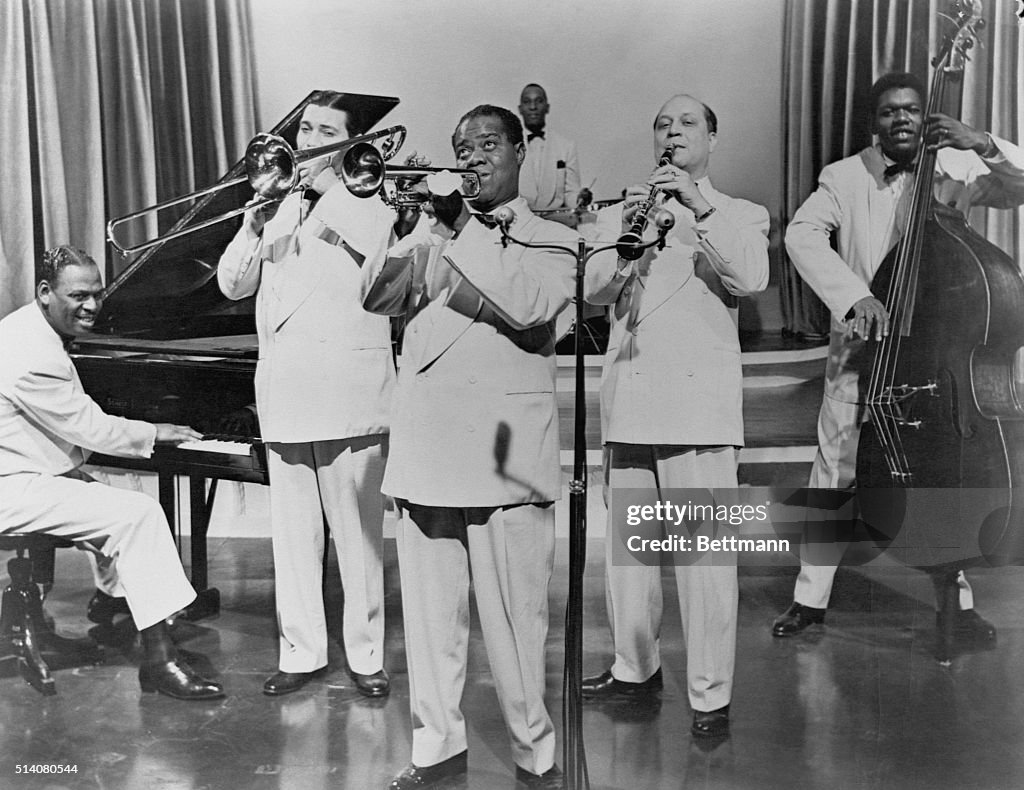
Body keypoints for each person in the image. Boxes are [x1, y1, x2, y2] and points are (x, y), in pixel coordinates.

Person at [362, 104, 576, 790]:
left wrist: (458, 228)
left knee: (516, 628)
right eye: (463, 147)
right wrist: (410, 227)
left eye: (489, 144)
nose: (474, 157)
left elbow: (531, 307)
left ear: (520, 153)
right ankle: (437, 747)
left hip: (502, 454)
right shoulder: (433, 229)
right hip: (428, 446)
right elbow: (377, 297)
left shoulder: (555, 237)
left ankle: (534, 755)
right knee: (429, 621)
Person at [772, 72, 1024, 640]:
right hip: (865, 351)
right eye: (888, 112)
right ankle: (809, 601)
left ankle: (954, 603)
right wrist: (854, 294)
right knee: (833, 473)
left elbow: (1022, 184)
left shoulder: (957, 168)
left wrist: (981, 142)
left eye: (910, 109)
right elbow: (802, 235)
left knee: (942, 476)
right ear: (874, 122)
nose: (901, 119)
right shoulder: (842, 176)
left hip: (938, 358)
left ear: (924, 115)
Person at [580, 94, 770, 739]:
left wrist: (697, 205)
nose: (672, 132)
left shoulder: (739, 213)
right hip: (630, 399)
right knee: (630, 558)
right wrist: (629, 234)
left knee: (704, 564)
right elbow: (592, 291)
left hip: (698, 410)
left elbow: (751, 278)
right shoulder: (624, 213)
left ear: (713, 139)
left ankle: (710, 695)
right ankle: (635, 669)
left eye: (687, 123)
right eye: (662, 123)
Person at [217, 90, 395, 698]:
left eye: (325, 131)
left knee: (358, 536)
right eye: (306, 129)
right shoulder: (278, 203)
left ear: (349, 142)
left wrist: (327, 196)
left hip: (348, 393)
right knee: (293, 536)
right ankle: (301, 652)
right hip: (288, 393)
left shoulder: (370, 199)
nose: (309, 140)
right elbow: (233, 285)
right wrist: (252, 223)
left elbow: (381, 266)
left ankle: (367, 654)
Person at [0, 245, 224, 701]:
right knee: (137, 515)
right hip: (12, 485)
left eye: (98, 295)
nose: (91, 306)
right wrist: (154, 430)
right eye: (78, 295)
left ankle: (117, 598)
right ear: (45, 292)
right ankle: (160, 661)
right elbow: (90, 428)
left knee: (105, 507)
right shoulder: (30, 353)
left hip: (26, 468)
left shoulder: (24, 326)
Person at [518, 83, 591, 221]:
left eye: (539, 101)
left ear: (547, 107)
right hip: (520, 221)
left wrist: (580, 198)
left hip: (557, 222)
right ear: (520, 109)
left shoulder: (566, 147)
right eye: (527, 102)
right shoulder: (510, 146)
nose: (533, 107)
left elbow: (571, 193)